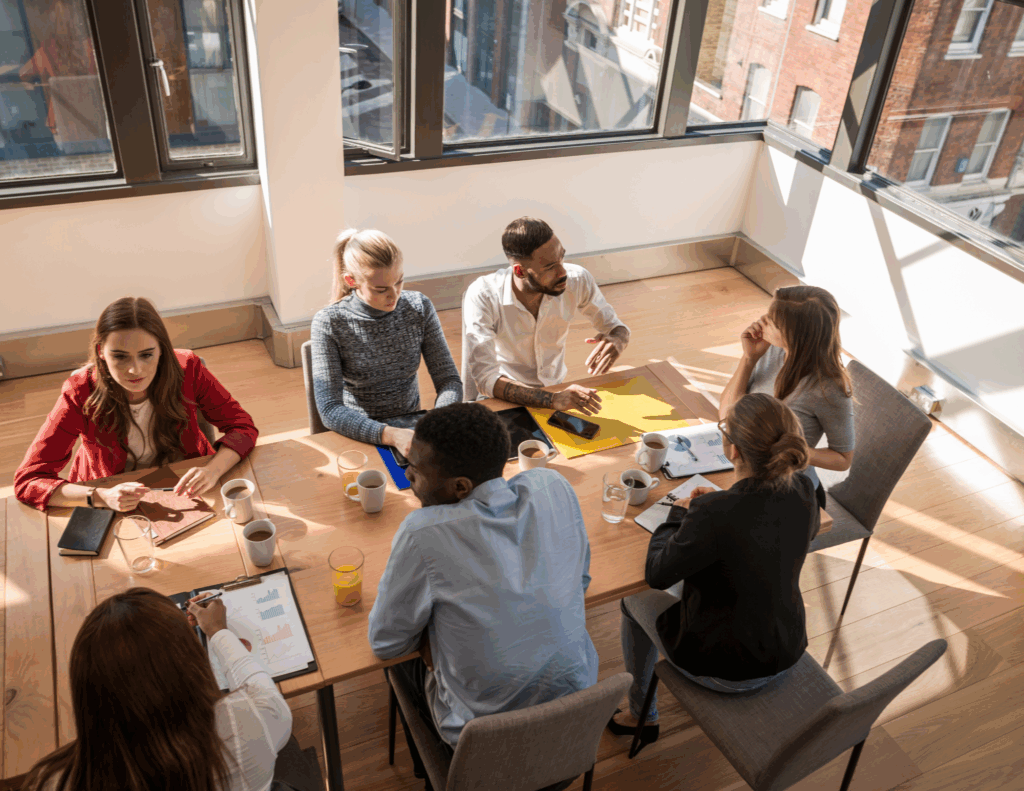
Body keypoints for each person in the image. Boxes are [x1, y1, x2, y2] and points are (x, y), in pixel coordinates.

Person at [368, 402, 597, 785]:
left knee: (399, 664)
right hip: (572, 738)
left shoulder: (422, 532)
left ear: (460, 486)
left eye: (416, 470)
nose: (407, 475)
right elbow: (582, 581)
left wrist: (436, 641)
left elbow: (385, 643)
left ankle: (428, 772)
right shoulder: (552, 485)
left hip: (486, 760)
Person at [610, 394, 820, 754]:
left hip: (724, 669)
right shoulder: (803, 489)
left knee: (631, 601)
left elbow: (657, 575)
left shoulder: (712, 514)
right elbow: (769, 527)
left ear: (732, 450)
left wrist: (679, 514)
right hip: (786, 648)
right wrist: (720, 501)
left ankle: (641, 715)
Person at [20, 587, 317, 791]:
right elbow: (261, 689)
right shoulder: (250, 723)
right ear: (187, 667)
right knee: (286, 744)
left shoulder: (52, 779)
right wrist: (217, 631)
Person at [14, 297, 258, 512]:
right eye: (120, 357)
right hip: (112, 492)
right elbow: (29, 480)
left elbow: (242, 427)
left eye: (146, 355)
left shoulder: (189, 369)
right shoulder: (80, 390)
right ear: (101, 351)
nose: (135, 370)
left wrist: (213, 470)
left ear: (161, 350)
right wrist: (100, 497)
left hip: (185, 482)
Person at [311, 228, 462, 459]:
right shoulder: (329, 322)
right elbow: (330, 410)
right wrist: (391, 435)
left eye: (399, 282)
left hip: (412, 430)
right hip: (360, 433)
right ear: (351, 281)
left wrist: (436, 423)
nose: (394, 295)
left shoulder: (419, 307)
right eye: (380, 290)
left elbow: (449, 380)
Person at [461, 216, 630, 414]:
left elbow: (614, 326)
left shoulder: (577, 279)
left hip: (556, 390)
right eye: (550, 267)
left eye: (562, 258)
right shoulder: (483, 295)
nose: (562, 272)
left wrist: (620, 337)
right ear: (519, 271)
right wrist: (552, 400)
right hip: (503, 398)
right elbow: (486, 378)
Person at [718, 285, 854, 509]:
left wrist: (791, 449)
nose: (763, 320)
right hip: (746, 471)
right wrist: (749, 358)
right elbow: (727, 415)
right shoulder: (771, 350)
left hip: (790, 493)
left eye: (772, 321)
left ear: (794, 335)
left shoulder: (829, 389)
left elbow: (843, 460)